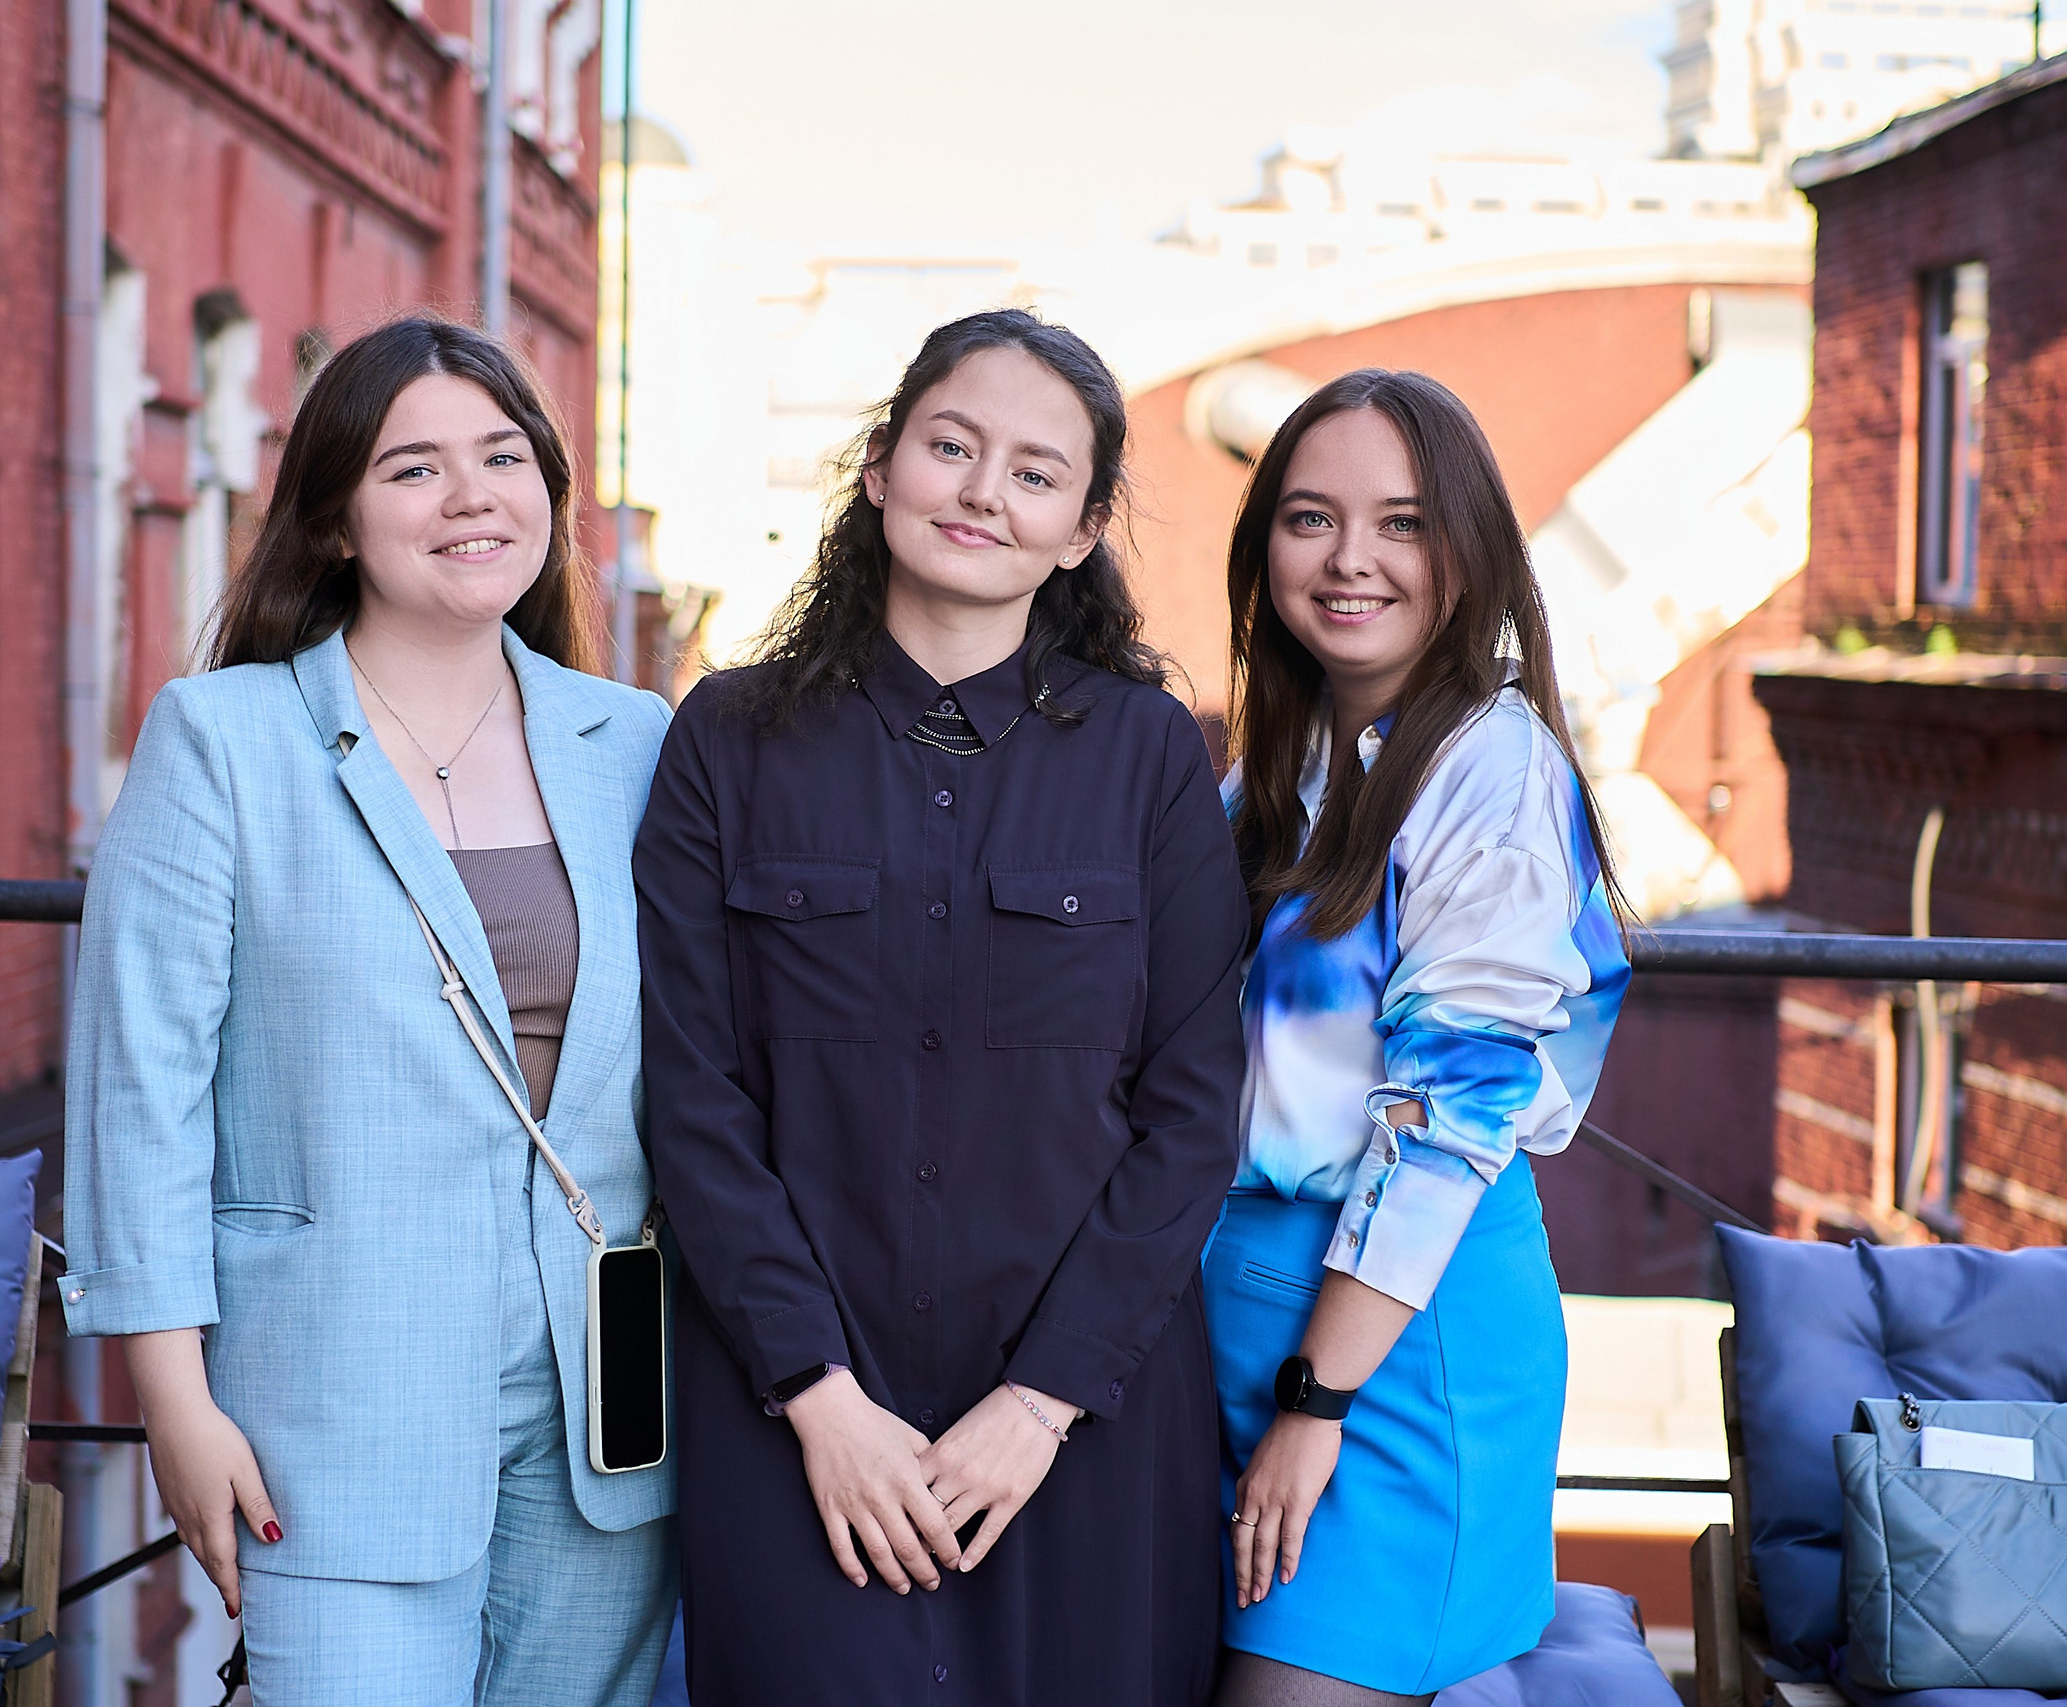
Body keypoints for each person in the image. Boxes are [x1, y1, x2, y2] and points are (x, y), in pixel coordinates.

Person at [635, 308, 1249, 1706]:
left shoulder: (1152, 756)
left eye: (1035, 472)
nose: (982, 490)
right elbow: (691, 1096)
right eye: (950, 446)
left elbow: (1193, 1109)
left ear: (1082, 530)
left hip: (1081, 1428)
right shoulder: (725, 741)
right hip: (795, 1422)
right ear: (879, 471)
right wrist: (818, 1396)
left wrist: (1040, 1405)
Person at [60, 317, 676, 1707]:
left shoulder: (631, 739)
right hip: (334, 1400)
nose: (471, 497)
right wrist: (174, 1396)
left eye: (503, 457)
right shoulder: (223, 738)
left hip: (609, 1404)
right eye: (413, 469)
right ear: (336, 520)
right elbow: (138, 1086)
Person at [1206, 369, 1632, 1707]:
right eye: (1310, 517)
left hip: (1388, 1341)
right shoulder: (1287, 765)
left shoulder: (1488, 773)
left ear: (1472, 552)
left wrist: (1315, 1408)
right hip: (1246, 1315)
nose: (1349, 561)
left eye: (1400, 523)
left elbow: (1447, 1123)